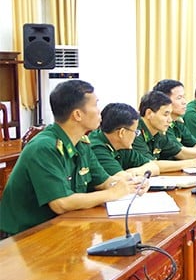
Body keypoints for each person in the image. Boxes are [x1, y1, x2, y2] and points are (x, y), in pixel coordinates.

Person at [0, 80, 143, 237]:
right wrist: (113, 193)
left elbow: (103, 182)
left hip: (62, 225)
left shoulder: (81, 143)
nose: (99, 111)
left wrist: (131, 185)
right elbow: (61, 203)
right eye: (95, 105)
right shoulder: (44, 148)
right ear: (77, 115)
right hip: (25, 234)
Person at [132, 90, 196, 172]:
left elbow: (180, 152)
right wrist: (193, 162)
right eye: (165, 114)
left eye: (170, 114)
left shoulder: (158, 133)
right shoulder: (134, 131)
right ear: (149, 113)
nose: (170, 120)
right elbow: (151, 165)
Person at [89, 103, 160, 176]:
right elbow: (121, 179)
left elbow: (154, 167)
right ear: (122, 132)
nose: (136, 136)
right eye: (135, 132)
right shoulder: (97, 148)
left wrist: (136, 172)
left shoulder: (121, 145)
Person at [153, 79, 196, 150]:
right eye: (179, 98)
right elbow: (181, 152)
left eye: (184, 97)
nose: (184, 102)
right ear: (164, 100)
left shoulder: (177, 121)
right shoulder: (162, 124)